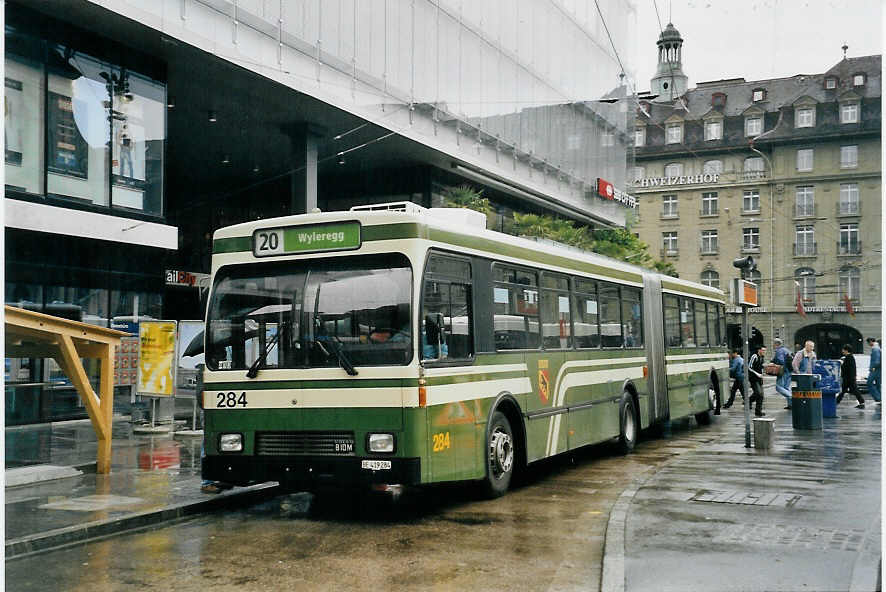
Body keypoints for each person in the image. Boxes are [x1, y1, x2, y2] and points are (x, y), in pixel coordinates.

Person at [836, 343, 864, 408]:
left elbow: (848, 368)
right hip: (849, 378)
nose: (842, 351)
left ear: (846, 350)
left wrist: (842, 363)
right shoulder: (849, 357)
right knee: (846, 391)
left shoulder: (849, 357)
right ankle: (861, 402)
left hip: (848, 378)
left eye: (843, 350)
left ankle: (836, 402)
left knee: (847, 391)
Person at [772, 338, 793, 409]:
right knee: (786, 387)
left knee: (778, 387)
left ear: (776, 344)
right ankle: (791, 405)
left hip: (783, 371)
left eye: (773, 344)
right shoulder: (787, 350)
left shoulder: (779, 351)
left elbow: (781, 361)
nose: (773, 345)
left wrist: (774, 363)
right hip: (790, 371)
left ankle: (791, 396)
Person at [748, 345, 766, 416]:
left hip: (759, 379)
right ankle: (749, 401)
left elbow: (761, 367)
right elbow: (749, 367)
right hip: (753, 378)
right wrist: (757, 374)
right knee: (758, 393)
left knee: (761, 395)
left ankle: (758, 411)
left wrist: (762, 375)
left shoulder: (762, 357)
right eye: (763, 350)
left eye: (765, 350)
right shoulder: (754, 356)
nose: (764, 352)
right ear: (759, 350)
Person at [867, 337, 881, 403]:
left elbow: (876, 361)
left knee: (869, 382)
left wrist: (872, 368)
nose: (868, 344)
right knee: (878, 384)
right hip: (879, 369)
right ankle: (880, 398)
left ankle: (878, 397)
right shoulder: (877, 348)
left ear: (870, 341)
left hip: (875, 369)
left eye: (868, 343)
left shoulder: (875, 349)